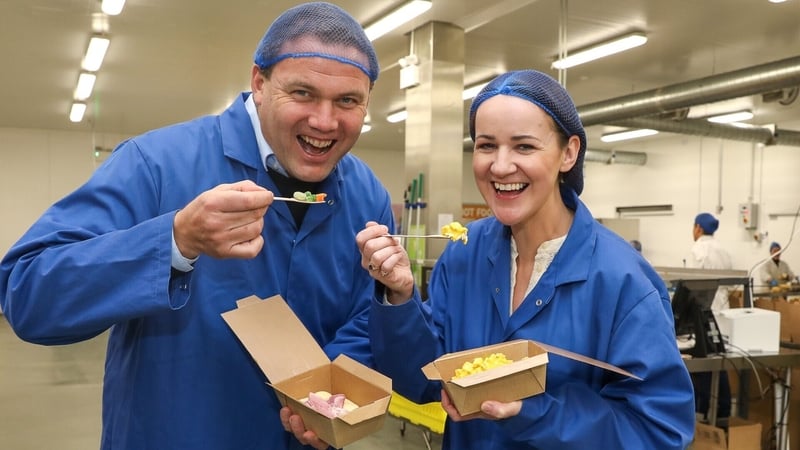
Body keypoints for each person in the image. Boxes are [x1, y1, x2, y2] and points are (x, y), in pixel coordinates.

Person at [0, 3, 392, 449]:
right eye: (302, 93)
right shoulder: (156, 164)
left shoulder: (367, 196)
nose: (324, 121)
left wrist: (330, 393)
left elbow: (366, 316)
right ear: (259, 83)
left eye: (347, 101)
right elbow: (28, 292)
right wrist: (173, 241)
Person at [353, 70, 695, 449]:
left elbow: (657, 431)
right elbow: (422, 380)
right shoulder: (466, 253)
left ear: (569, 153)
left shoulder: (623, 280)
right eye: (486, 145)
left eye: (524, 147)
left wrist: (532, 412)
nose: (500, 166)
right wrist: (399, 297)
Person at [687, 212, 733, 421]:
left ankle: (702, 414)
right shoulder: (724, 250)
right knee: (720, 365)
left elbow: (690, 286)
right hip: (723, 313)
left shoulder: (698, 250)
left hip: (705, 315)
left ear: (698, 227)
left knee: (702, 366)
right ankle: (724, 411)